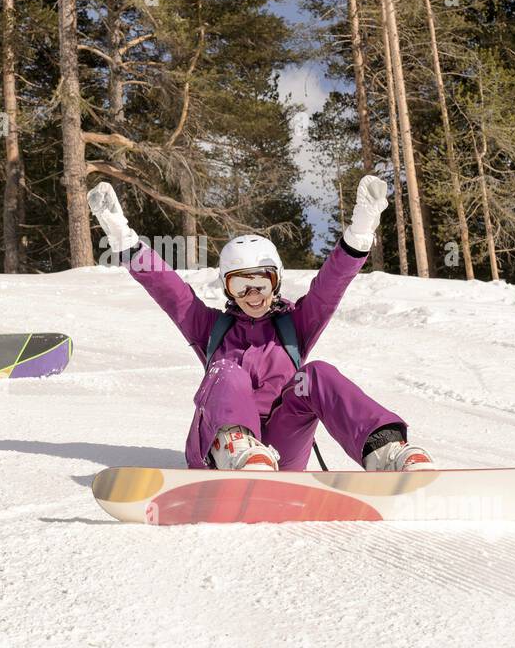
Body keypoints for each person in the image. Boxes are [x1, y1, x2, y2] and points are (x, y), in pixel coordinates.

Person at [87, 175, 434, 473]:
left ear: (277, 282)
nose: (252, 294)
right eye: (240, 284)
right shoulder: (210, 328)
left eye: (262, 283)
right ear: (227, 287)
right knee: (227, 369)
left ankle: (385, 452)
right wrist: (120, 233)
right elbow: (166, 288)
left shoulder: (294, 326)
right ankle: (236, 449)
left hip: (283, 450)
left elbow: (331, 284)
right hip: (217, 450)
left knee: (318, 373)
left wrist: (360, 230)